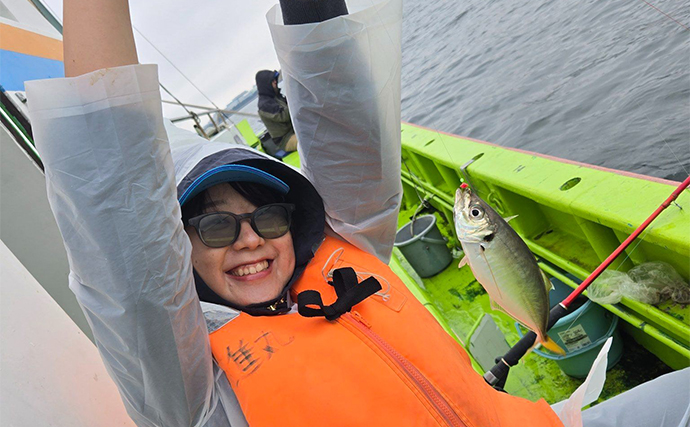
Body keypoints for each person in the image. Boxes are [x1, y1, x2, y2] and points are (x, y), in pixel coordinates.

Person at [26, 0, 566, 426]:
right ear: (176, 251)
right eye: (215, 226)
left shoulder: (351, 258)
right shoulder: (191, 393)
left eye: (269, 219)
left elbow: (342, 110)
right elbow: (118, 207)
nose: (250, 240)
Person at [255, 70, 297, 157]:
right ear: (266, 84)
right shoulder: (265, 105)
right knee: (308, 140)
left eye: (275, 80)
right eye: (272, 81)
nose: (275, 82)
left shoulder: (276, 96)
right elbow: (284, 116)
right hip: (286, 139)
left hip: (296, 129)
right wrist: (297, 99)